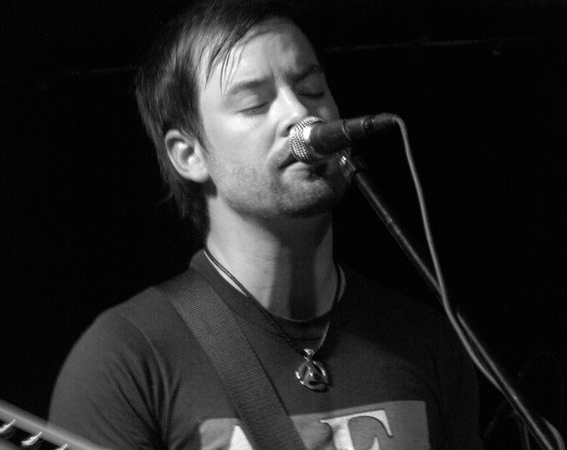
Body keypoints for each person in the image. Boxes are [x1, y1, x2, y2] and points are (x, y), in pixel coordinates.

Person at [48, 0, 482, 448]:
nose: (300, 114)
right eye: (255, 104)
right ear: (189, 154)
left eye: (311, 89)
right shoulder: (126, 357)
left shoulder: (425, 339)